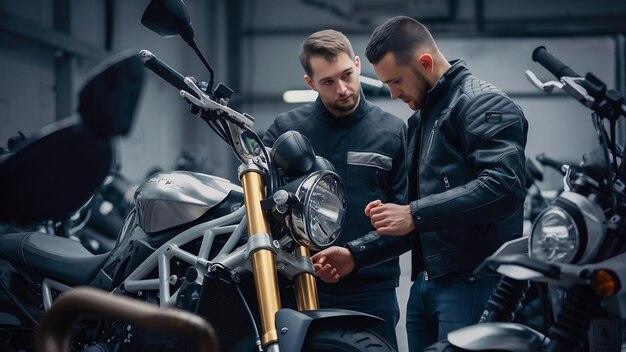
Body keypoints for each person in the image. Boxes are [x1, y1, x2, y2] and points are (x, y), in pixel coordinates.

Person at [312, 16, 528, 351]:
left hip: (471, 284)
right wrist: (355, 255)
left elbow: (504, 187)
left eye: (396, 81)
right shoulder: (420, 121)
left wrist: (413, 212)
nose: (393, 94)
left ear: (425, 63)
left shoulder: (482, 103)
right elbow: (419, 222)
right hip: (427, 289)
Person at [262, 29, 407, 348]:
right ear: (310, 83)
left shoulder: (393, 133)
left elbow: (409, 219)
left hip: (371, 289)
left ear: (357, 64)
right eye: (328, 82)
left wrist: (357, 256)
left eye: (347, 75)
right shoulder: (284, 132)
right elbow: (262, 210)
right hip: (298, 284)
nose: (342, 89)